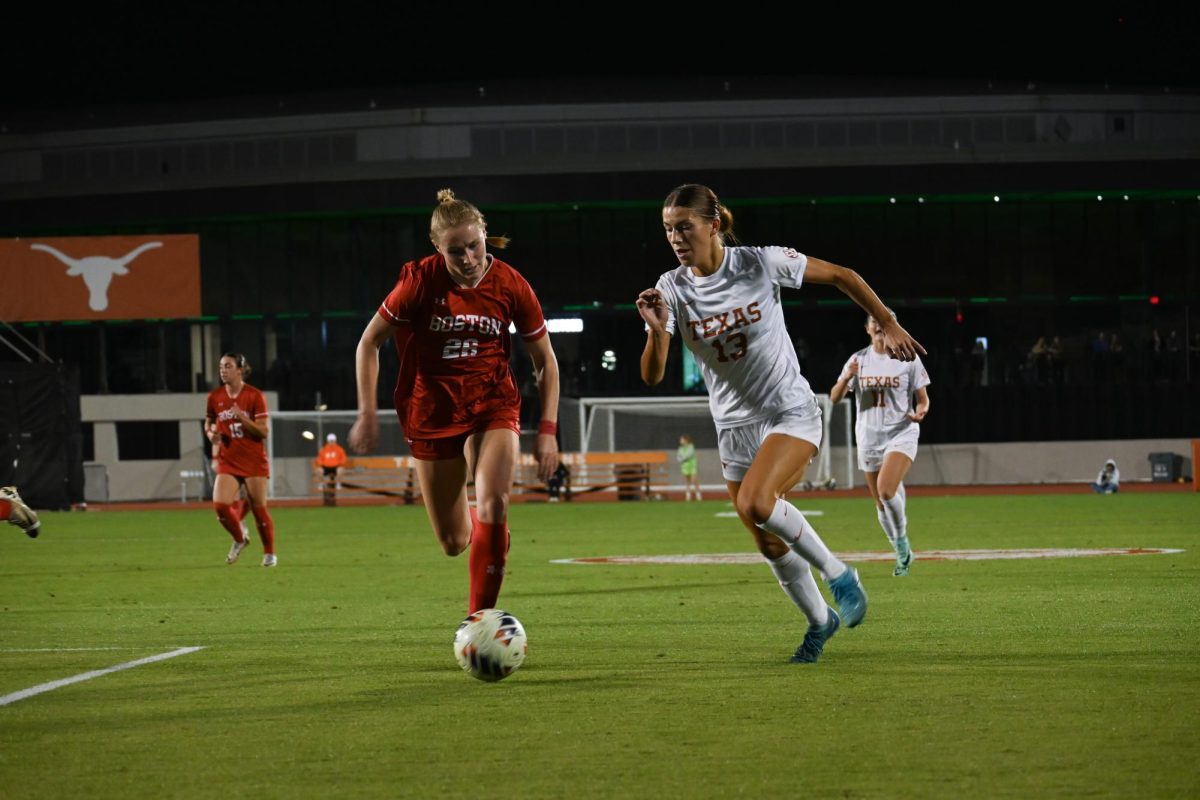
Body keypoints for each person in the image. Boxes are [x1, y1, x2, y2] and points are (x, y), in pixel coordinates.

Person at [637, 184, 924, 665]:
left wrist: (887, 319)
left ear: (713, 224)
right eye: (668, 229)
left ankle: (840, 576)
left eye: (684, 226)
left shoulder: (759, 262)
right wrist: (654, 328)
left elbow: (842, 275)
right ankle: (819, 622)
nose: (675, 237)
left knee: (756, 501)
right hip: (733, 428)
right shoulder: (670, 288)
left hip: (788, 411)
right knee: (767, 541)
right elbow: (652, 374)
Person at [349, 189, 560, 614]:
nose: (467, 258)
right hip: (431, 412)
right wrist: (367, 412)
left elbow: (545, 360)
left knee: (495, 501)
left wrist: (549, 431)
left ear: (485, 233)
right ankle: (488, 536)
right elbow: (369, 342)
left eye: (474, 245)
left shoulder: (511, 284)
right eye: (455, 250)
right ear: (436, 248)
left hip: (492, 404)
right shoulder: (419, 281)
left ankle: (480, 623)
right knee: (453, 542)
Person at [829, 311, 931, 577]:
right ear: (867, 328)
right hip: (868, 437)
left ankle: (902, 543)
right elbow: (835, 398)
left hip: (901, 432)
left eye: (884, 321)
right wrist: (845, 378)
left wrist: (921, 411)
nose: (878, 326)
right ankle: (900, 550)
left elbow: (923, 398)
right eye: (874, 321)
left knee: (886, 491)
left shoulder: (907, 357)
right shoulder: (858, 360)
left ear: (892, 326)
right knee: (880, 503)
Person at [205, 353, 278, 567]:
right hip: (229, 460)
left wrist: (242, 418)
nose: (223, 370)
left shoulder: (255, 396)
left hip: (254, 461)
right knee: (220, 506)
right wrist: (211, 435)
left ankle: (269, 554)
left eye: (228, 366)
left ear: (239, 370)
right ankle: (239, 538)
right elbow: (208, 424)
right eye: (221, 366)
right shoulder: (215, 397)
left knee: (258, 508)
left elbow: (264, 432)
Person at [314, 433, 348, 506]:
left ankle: (338, 484)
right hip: (326, 466)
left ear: (335, 441)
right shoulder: (323, 449)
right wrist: (321, 464)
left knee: (341, 470)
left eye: (333, 441)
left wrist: (340, 463)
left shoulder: (339, 449)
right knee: (318, 470)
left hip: (336, 466)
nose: (331, 442)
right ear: (328, 441)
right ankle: (322, 483)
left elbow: (343, 458)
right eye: (330, 441)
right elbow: (319, 458)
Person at [677, 434, 700, 501]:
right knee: (687, 482)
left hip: (692, 466)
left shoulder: (691, 447)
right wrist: (681, 459)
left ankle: (698, 494)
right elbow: (678, 457)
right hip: (685, 467)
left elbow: (689, 455)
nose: (681, 441)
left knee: (694, 481)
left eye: (682, 440)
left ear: (686, 440)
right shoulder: (680, 449)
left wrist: (682, 459)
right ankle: (688, 495)